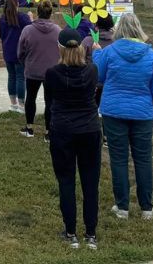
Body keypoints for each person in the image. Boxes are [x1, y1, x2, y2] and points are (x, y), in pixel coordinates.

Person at [93, 12, 153, 219]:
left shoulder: (111, 51)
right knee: (143, 159)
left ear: (119, 29)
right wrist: (149, 108)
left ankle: (122, 206)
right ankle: (146, 207)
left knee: (119, 159)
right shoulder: (151, 55)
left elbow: (98, 75)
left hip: (114, 111)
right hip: (142, 113)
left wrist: (96, 53)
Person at [44, 28, 103, 249]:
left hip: (63, 129)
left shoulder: (52, 73)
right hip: (89, 128)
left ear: (59, 48)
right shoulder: (92, 71)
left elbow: (49, 103)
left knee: (66, 181)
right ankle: (91, 233)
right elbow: (96, 98)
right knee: (90, 182)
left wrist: (48, 127)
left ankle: (71, 232)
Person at [18, 1, 61, 139]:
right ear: (51, 13)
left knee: (30, 98)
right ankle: (49, 132)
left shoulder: (28, 30)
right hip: (51, 71)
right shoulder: (58, 30)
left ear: (37, 12)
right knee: (51, 101)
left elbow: (20, 52)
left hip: (32, 69)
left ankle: (29, 127)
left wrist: (25, 62)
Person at [0, 0, 33, 112]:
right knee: (20, 78)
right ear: (17, 4)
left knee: (11, 77)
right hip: (21, 53)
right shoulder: (23, 18)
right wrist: (31, 19)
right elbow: (31, 32)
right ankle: (22, 106)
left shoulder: (2, 19)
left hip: (7, 52)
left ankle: (13, 104)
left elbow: (0, 35)